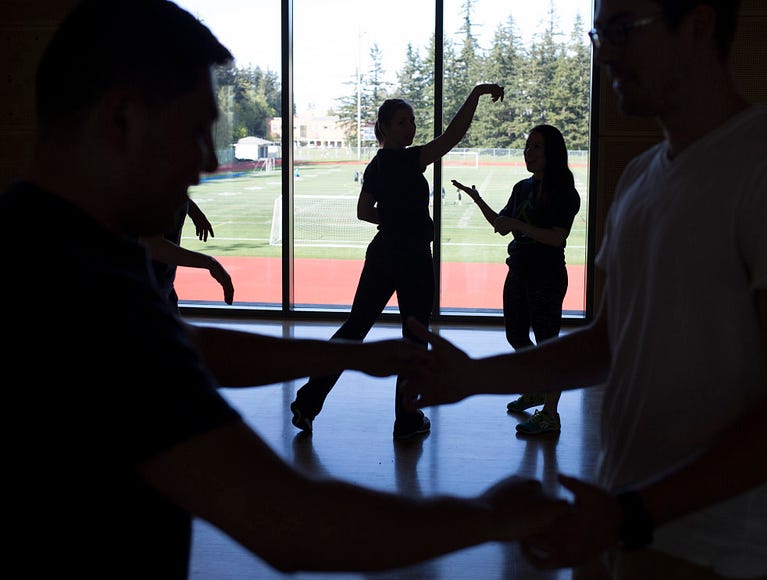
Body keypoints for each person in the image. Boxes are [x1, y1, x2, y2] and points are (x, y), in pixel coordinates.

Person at [1, 1, 568, 577]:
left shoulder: (56, 251)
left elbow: (187, 348)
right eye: (197, 131)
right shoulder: (78, 294)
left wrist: (353, 354)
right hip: (407, 257)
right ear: (120, 118)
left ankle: (316, 396)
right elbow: (292, 523)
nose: (205, 162)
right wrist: (493, 516)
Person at [405, 0, 767, 577]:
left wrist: (629, 513)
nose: (604, 49)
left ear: (698, 23)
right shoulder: (641, 177)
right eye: (600, 31)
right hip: (623, 533)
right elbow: (606, 342)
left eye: (621, 29)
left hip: (730, 554)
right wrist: (475, 378)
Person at [290, 83, 505, 439]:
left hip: (383, 252)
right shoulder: (409, 159)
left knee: (354, 328)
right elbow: (453, 135)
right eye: (403, 122)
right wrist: (476, 94)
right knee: (415, 338)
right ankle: (406, 421)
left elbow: (363, 212)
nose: (411, 128)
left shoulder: (375, 166)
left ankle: (307, 403)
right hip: (414, 257)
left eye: (412, 121)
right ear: (385, 127)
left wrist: (392, 219)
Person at [451, 123, 580, 436]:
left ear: (552, 153)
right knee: (516, 335)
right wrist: (476, 199)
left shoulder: (564, 193)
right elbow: (501, 225)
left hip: (547, 275)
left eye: (536, 147)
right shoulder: (522, 188)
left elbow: (556, 239)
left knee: (548, 345)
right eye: (527, 146)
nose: (528, 152)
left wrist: (518, 226)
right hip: (518, 271)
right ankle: (536, 387)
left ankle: (550, 413)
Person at [141, 198, 235, 311]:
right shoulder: (149, 190)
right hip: (142, 292)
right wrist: (210, 263)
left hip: (162, 285)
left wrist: (192, 208)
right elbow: (152, 246)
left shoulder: (164, 186)